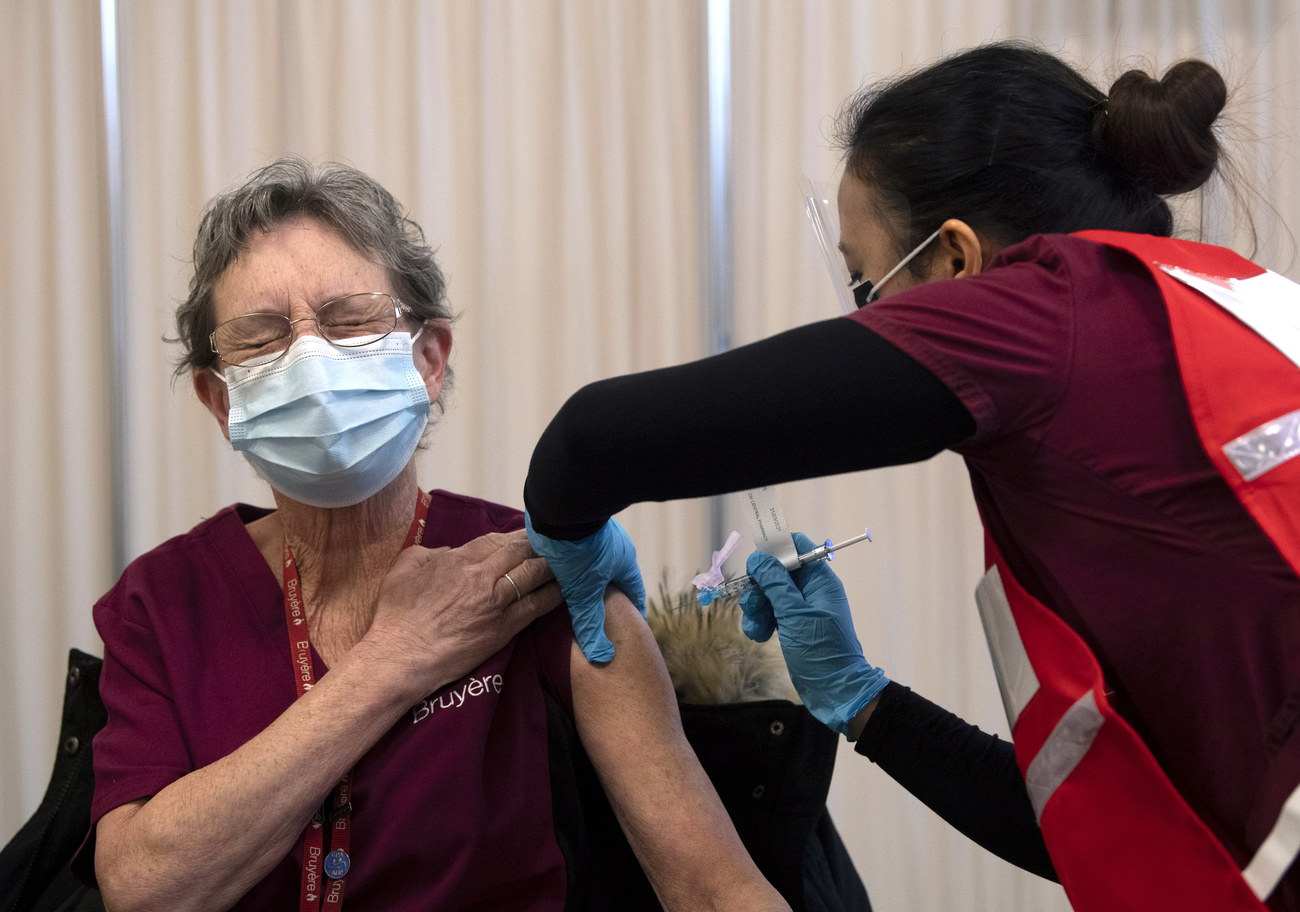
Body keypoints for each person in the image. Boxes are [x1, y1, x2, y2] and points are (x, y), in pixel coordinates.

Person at [523, 41, 1300, 912]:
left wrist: (569, 525)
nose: (860, 320)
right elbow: (1101, 829)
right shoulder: (1236, 308)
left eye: (865, 284)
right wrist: (863, 700)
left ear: (959, 262)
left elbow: (591, 441)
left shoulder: (1045, 313)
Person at [78, 159, 790, 912]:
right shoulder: (160, 604)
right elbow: (146, 889)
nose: (311, 360)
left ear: (428, 357)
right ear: (220, 399)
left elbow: (713, 889)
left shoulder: (544, 578)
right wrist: (393, 661)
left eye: (349, 320)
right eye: (263, 337)